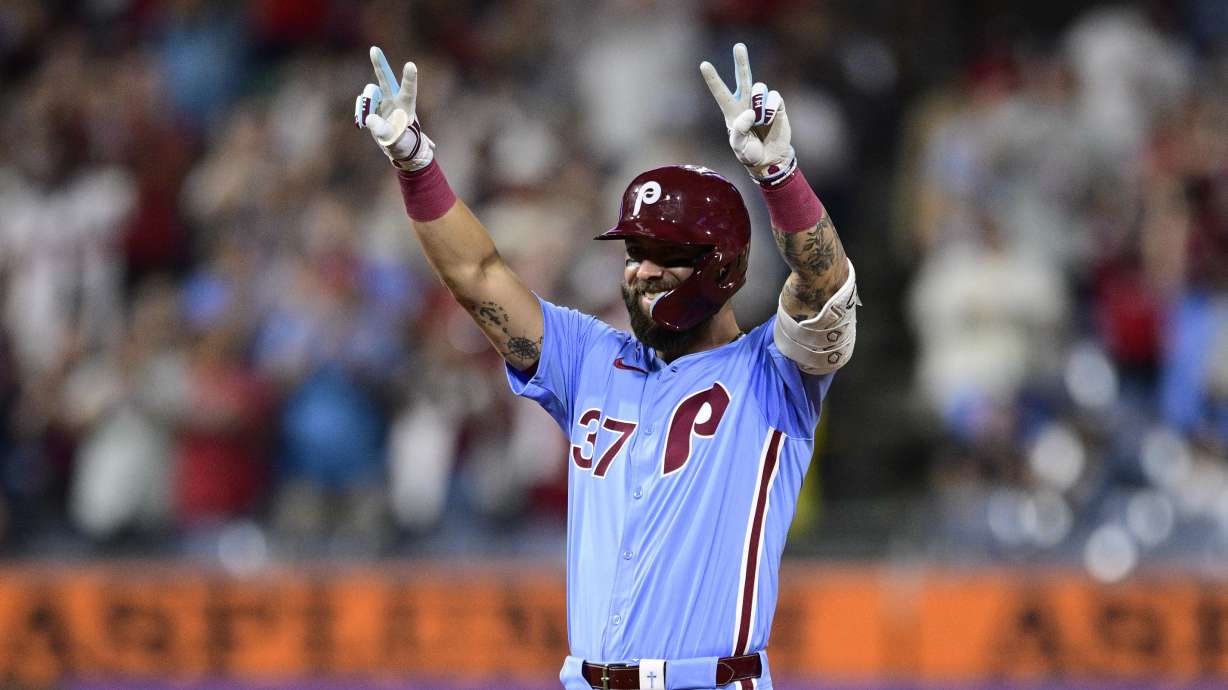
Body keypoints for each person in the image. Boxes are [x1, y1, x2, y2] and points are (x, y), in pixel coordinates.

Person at [356, 42, 859, 690]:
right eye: (633, 250)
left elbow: (826, 289)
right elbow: (476, 273)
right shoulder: (590, 358)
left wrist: (780, 175)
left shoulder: (775, 374)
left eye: (665, 252)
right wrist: (415, 162)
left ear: (727, 265)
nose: (642, 269)